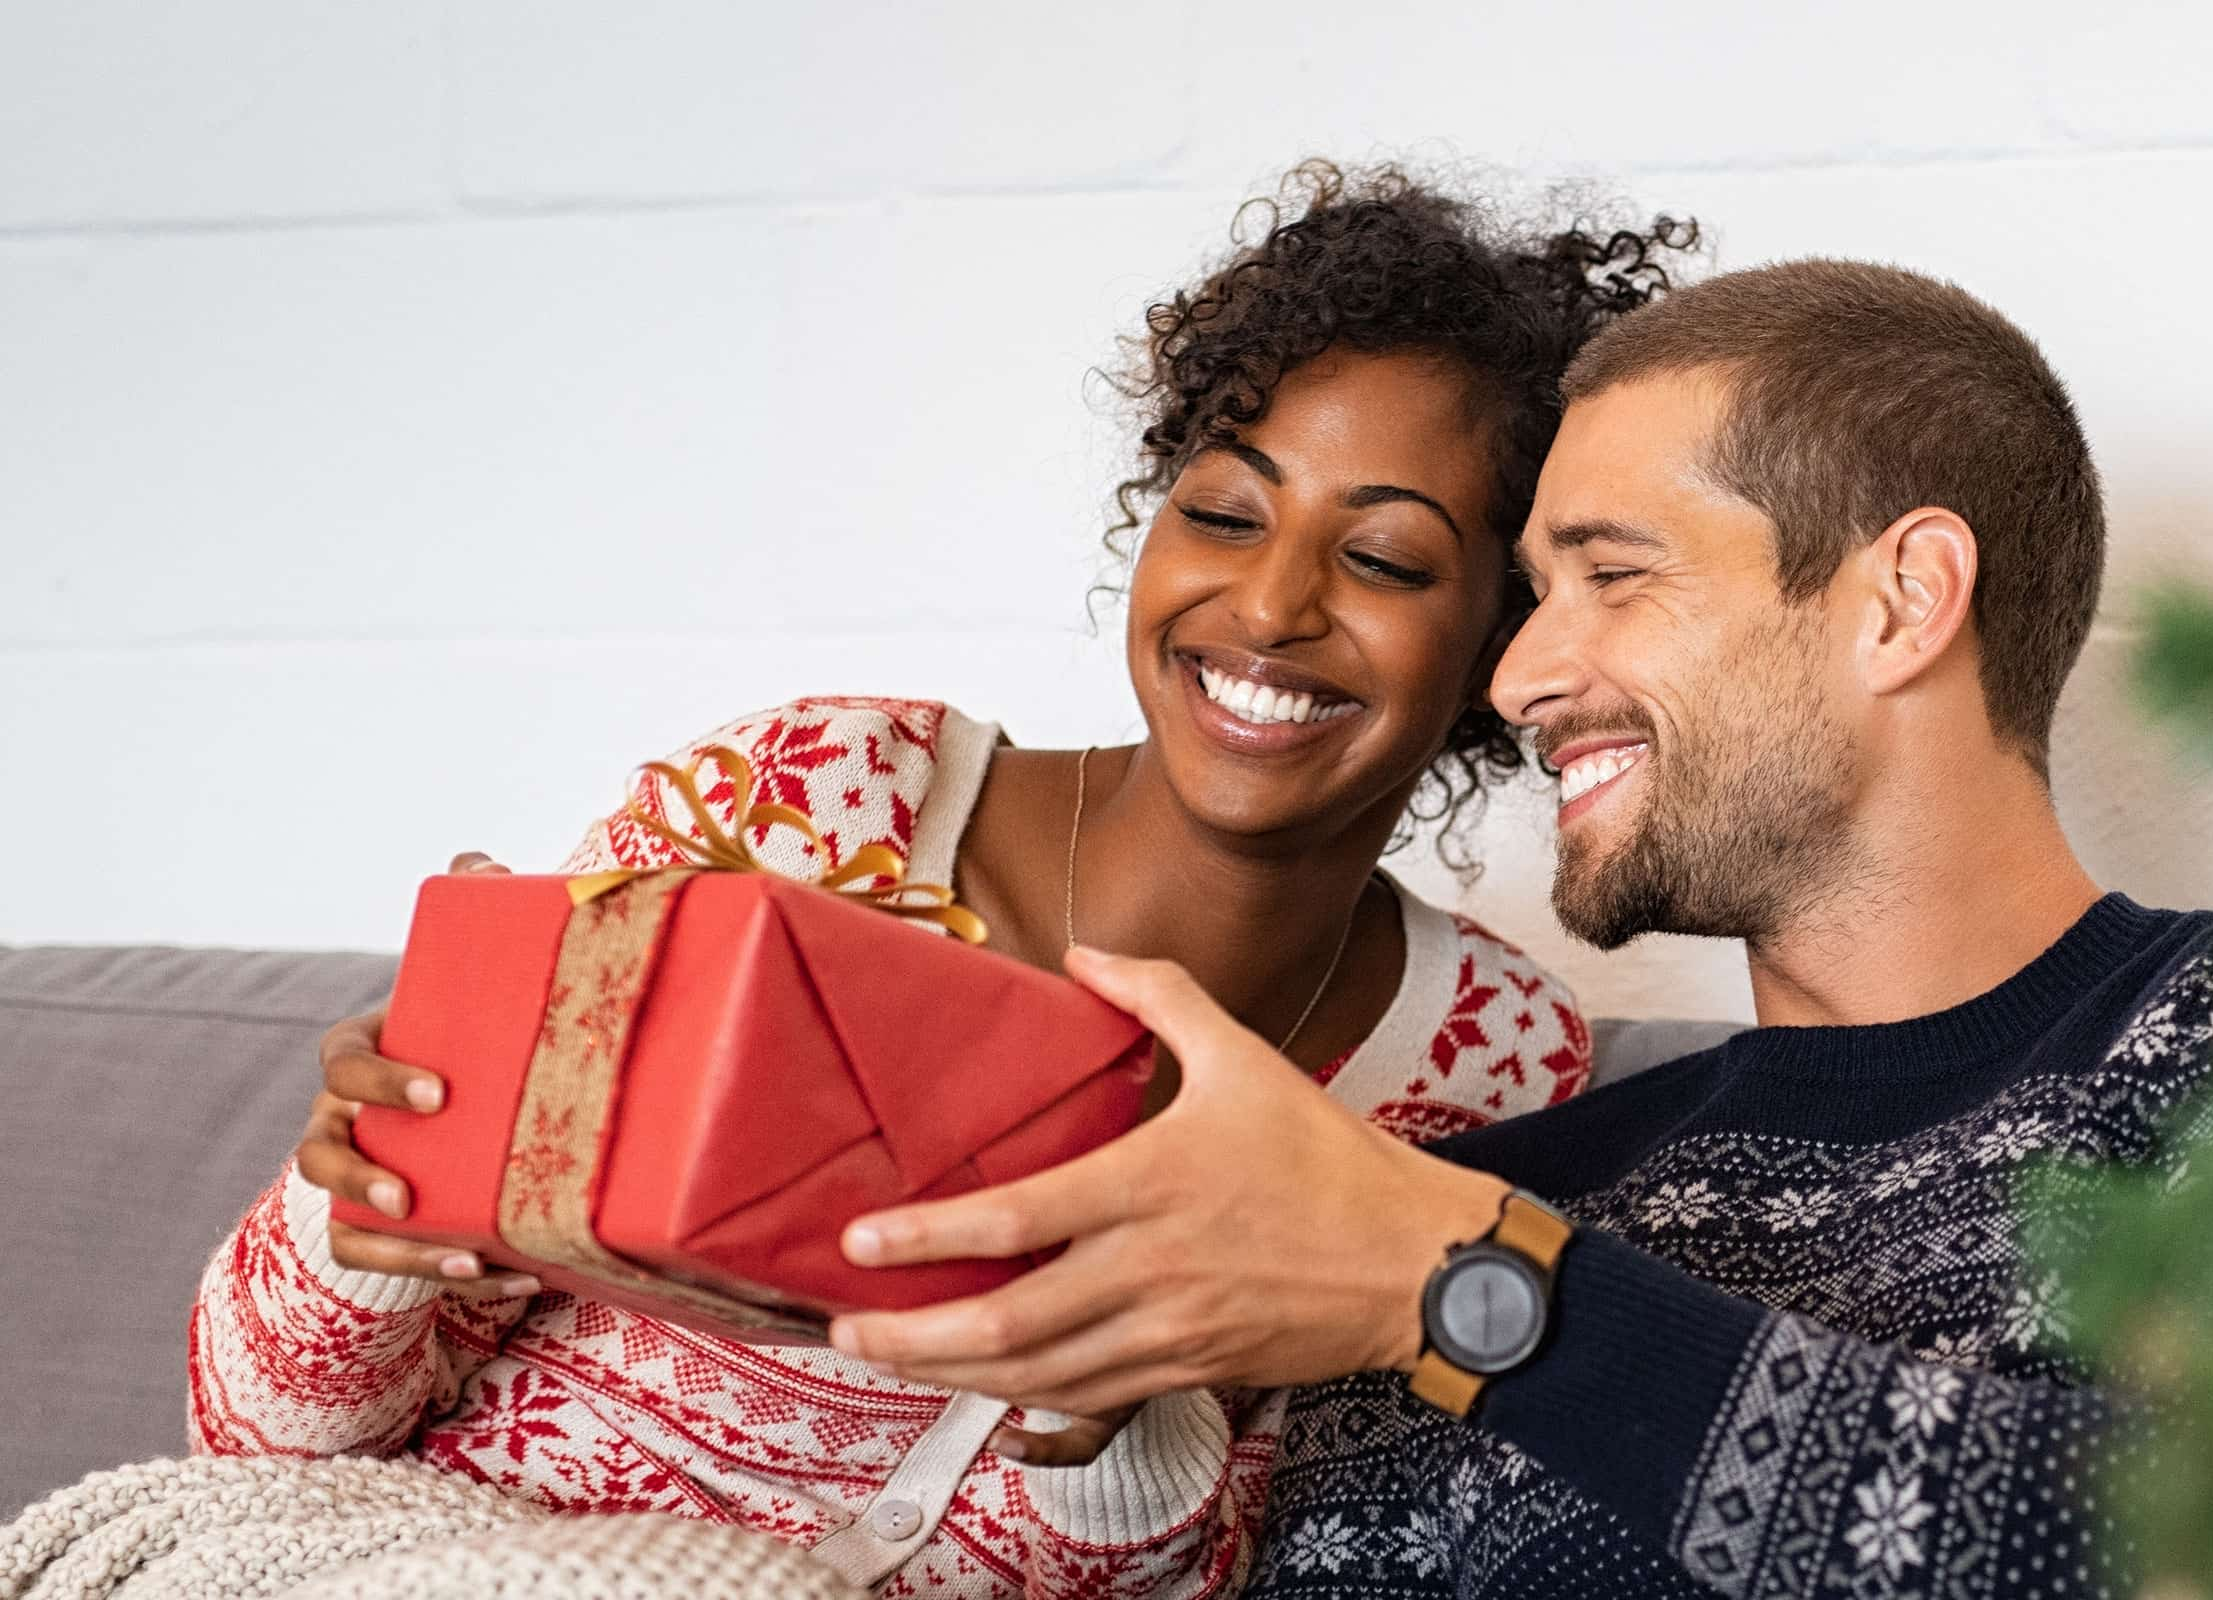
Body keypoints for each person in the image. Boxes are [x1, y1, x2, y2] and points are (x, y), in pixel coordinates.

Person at [185, 163, 1701, 1600]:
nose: (1269, 603)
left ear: (1510, 634)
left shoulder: (1490, 1062)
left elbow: (1227, 1568)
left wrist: (1107, 1405)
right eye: (1223, 514)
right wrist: (362, 1218)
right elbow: (262, 1459)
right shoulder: (804, 804)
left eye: (1383, 561)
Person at [817, 259, 2213, 1599]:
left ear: (1903, 600)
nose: (1519, 677)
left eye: (1614, 576)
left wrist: (1470, 1295)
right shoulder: (1506, 1177)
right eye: (1534, 593)